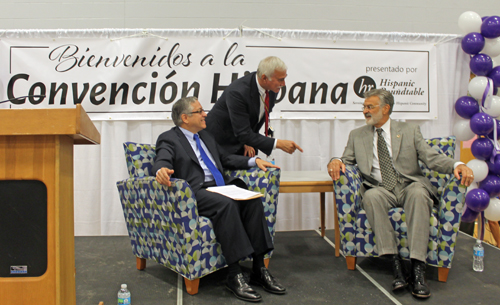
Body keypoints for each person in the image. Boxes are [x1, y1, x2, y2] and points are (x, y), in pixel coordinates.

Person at [326, 89, 474, 299]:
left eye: (370, 107)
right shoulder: (357, 135)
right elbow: (346, 160)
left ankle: (417, 268)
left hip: (409, 185)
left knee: (418, 194)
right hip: (380, 188)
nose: (365, 111)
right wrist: (335, 161)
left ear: (385, 109)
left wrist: (458, 165)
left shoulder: (409, 130)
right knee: (370, 197)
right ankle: (395, 263)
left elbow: (431, 158)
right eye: (364, 107)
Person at [153, 96, 286, 302]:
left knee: (252, 200)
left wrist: (254, 160)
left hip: (220, 187)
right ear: (185, 118)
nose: (205, 114)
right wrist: (161, 170)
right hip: (196, 191)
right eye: (200, 111)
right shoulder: (169, 138)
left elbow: (225, 159)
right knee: (226, 204)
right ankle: (234, 275)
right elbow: (162, 158)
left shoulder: (206, 135)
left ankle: (259, 269)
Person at [206, 56, 303, 157]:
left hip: (241, 140)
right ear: (264, 78)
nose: (283, 84)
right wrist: (278, 143)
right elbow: (242, 133)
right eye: (280, 80)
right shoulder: (238, 92)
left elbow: (254, 119)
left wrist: (248, 141)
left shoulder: (272, 88)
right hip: (219, 142)